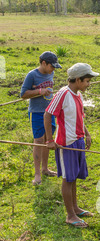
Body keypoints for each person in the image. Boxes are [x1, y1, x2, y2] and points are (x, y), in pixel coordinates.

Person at [44, 63, 99, 228]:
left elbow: (80, 116)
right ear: (77, 79)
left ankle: (75, 208)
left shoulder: (78, 94)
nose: (89, 84)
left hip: (78, 141)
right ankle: (70, 215)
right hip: (66, 143)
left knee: (74, 176)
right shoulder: (63, 94)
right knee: (68, 178)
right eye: (87, 81)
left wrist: (87, 134)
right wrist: (49, 140)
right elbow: (48, 114)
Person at [21, 51, 62, 186]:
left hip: (49, 111)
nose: (53, 69)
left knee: (47, 139)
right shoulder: (32, 75)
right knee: (38, 140)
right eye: (52, 66)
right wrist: (39, 91)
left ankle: (45, 169)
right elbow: (23, 94)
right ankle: (37, 173)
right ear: (44, 63)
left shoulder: (51, 73)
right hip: (37, 112)